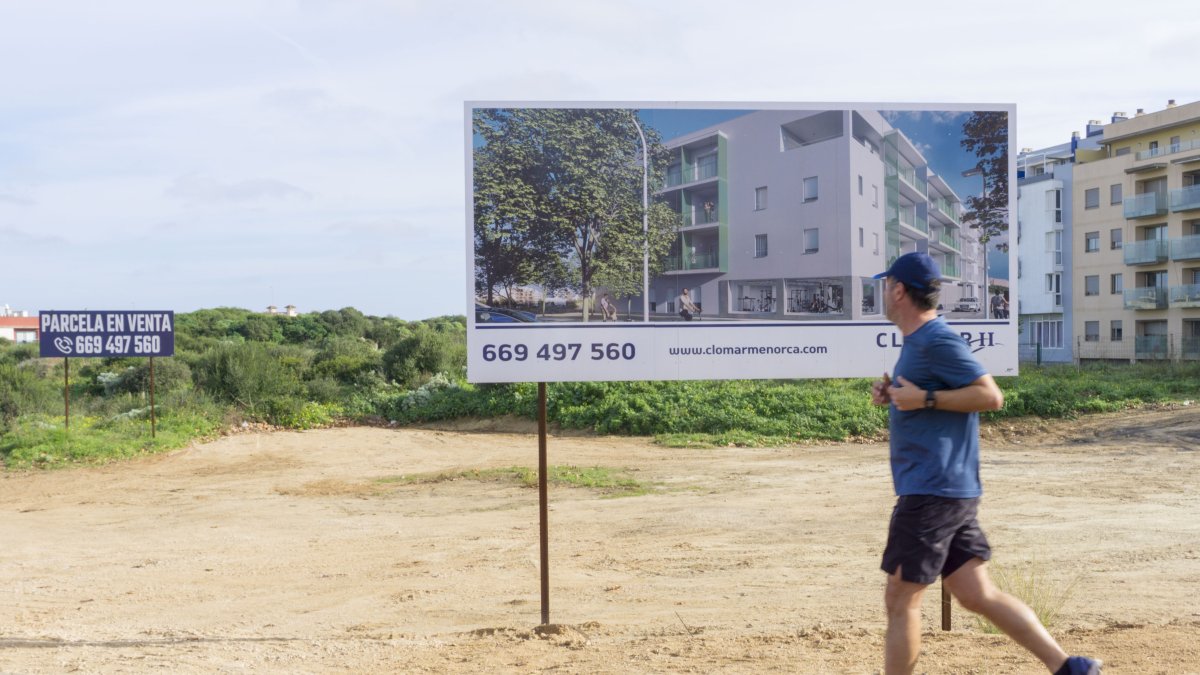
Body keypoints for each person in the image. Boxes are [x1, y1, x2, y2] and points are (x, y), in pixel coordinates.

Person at [870, 252, 1100, 675]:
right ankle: (1070, 667)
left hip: (931, 491)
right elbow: (934, 397)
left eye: (886, 285)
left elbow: (990, 396)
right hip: (949, 488)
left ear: (899, 290)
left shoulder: (936, 339)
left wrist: (925, 398)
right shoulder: (920, 343)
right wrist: (900, 396)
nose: (884, 292)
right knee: (976, 593)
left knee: (900, 599)